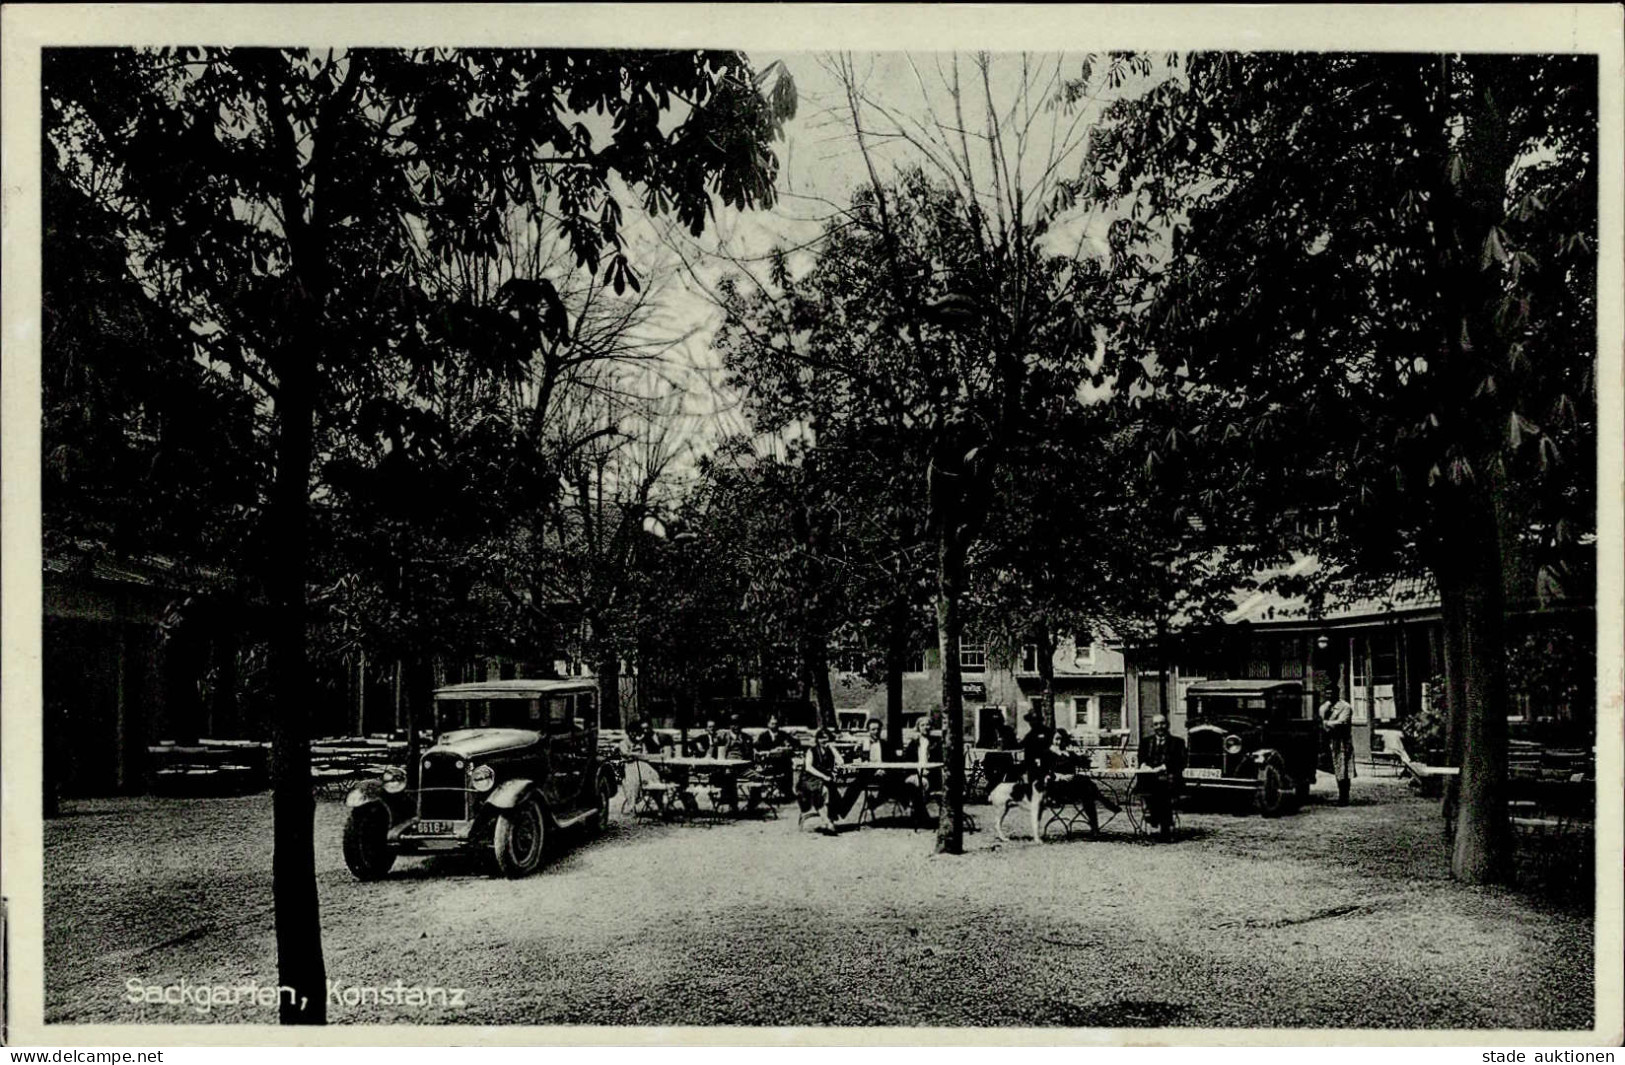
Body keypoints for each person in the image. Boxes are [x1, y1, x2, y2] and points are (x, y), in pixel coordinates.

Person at [795, 728, 858, 833]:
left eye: (826, 738)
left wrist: (833, 749)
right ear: (817, 740)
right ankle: (827, 821)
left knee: (829, 790)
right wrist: (824, 777)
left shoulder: (830, 751)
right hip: (809, 779)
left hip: (824, 780)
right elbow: (808, 768)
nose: (824, 741)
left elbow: (841, 762)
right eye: (821, 738)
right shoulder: (812, 751)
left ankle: (829, 822)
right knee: (823, 790)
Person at [1135, 714, 1185, 840]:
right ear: (1153, 726)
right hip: (1150, 779)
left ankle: (1161, 824)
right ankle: (1155, 817)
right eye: (1156, 724)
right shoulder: (1146, 742)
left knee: (1162, 790)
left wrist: (1163, 768)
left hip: (1169, 778)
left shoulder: (1177, 742)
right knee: (1150, 787)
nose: (1159, 727)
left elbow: (1180, 762)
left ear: (1167, 725)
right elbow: (1141, 759)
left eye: (1162, 724)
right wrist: (1144, 766)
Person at [1320, 681, 1356, 806]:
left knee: (1343, 769)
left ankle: (1344, 796)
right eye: (1327, 693)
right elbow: (1319, 720)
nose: (1329, 695)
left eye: (1332, 693)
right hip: (1328, 742)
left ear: (1337, 693)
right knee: (1335, 768)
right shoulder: (1324, 707)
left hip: (1342, 741)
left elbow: (1342, 723)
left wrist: (1326, 724)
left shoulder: (1345, 707)